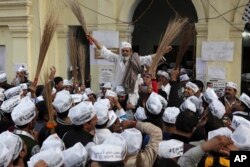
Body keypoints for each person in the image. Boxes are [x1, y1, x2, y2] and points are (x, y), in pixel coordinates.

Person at [88, 35, 172, 107]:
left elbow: (149, 58)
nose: (125, 52)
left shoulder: (136, 60)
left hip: (131, 93)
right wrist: (93, 39)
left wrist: (162, 52)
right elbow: (104, 50)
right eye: (123, 51)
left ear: (131, 51)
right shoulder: (117, 58)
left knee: (129, 112)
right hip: (117, 91)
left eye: (127, 51)